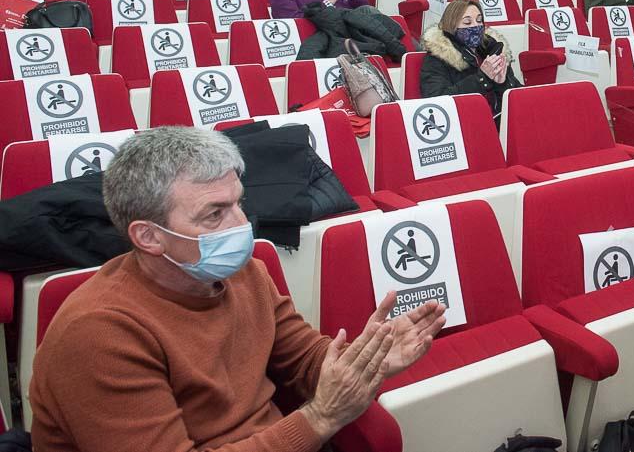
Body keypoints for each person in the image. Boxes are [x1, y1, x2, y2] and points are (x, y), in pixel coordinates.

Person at [29, 125, 445, 452]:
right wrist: (318, 420)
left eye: (238, 203)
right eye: (214, 214)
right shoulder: (99, 335)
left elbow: (302, 359)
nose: (241, 225)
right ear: (149, 237)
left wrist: (366, 361)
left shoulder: (246, 271)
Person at [420, 0, 522, 118]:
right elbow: (437, 103)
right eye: (467, 22)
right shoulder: (436, 59)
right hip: (465, 125)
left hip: (500, 124)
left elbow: (518, 100)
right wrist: (482, 78)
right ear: (451, 26)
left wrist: (502, 84)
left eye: (479, 21)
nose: (476, 26)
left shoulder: (493, 51)